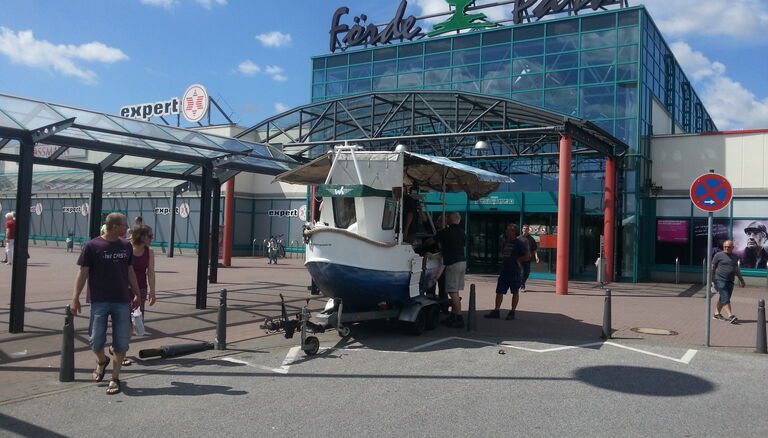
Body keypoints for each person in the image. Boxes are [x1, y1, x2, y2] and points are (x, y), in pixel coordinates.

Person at [70, 213, 141, 395]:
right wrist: (75, 297)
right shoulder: (92, 246)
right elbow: (83, 272)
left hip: (121, 300)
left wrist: (137, 293)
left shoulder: (126, 246)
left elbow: (130, 271)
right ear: (115, 226)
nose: (127, 228)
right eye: (124, 224)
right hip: (99, 299)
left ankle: (115, 378)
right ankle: (102, 361)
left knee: (121, 342)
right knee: (95, 340)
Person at [125, 224, 156, 365]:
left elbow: (150, 272)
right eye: (150, 236)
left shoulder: (149, 252)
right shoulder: (127, 247)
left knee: (135, 322)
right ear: (142, 236)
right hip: (124, 289)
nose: (151, 238)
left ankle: (118, 348)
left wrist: (152, 291)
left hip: (140, 290)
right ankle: (121, 351)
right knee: (123, 321)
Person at [486, 223, 528, 320]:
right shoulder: (505, 242)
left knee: (515, 292)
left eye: (508, 230)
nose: (506, 231)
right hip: (504, 270)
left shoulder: (519, 243)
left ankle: (512, 311)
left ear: (513, 232)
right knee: (499, 291)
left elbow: (527, 255)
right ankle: (496, 310)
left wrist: (518, 260)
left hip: (514, 271)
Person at [436, 212, 466, 328]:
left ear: (449, 220)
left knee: (452, 291)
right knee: (456, 290)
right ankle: (453, 315)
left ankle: (459, 317)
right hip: (462, 261)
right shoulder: (463, 232)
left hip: (452, 263)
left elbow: (433, 240)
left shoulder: (446, 232)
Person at [711, 240, 746, 324]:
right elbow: (713, 267)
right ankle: (731, 316)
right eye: (725, 247)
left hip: (730, 281)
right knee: (725, 297)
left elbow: (736, 269)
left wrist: (741, 280)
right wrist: (713, 280)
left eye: (728, 247)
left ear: (732, 248)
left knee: (723, 298)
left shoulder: (734, 257)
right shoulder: (718, 255)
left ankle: (716, 314)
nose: (726, 248)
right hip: (720, 279)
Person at [519, 224, 539, 292]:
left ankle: (521, 283)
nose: (525, 230)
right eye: (524, 228)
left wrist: (536, 257)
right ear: (522, 229)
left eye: (526, 229)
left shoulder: (531, 239)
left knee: (527, 273)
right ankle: (522, 286)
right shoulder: (519, 238)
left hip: (527, 258)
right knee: (522, 272)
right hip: (520, 259)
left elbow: (534, 249)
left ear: (528, 230)